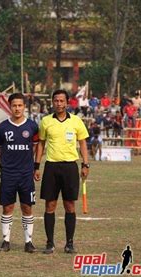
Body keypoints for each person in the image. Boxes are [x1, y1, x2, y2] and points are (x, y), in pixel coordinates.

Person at [34, 89, 89, 254]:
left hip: (70, 167)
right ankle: (50, 243)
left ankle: (69, 243)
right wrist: (36, 166)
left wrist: (85, 164)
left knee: (69, 205)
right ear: (52, 102)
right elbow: (41, 144)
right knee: (50, 205)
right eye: (56, 101)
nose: (58, 103)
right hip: (51, 166)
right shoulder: (45, 121)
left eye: (61, 101)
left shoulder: (76, 121)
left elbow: (83, 143)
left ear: (67, 102)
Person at [0, 93, 39, 253]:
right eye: (14, 105)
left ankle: (29, 242)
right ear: (10, 107)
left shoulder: (32, 126)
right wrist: (8, 160)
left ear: (24, 107)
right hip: (8, 173)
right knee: (7, 207)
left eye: (20, 105)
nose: (17, 108)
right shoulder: (3, 127)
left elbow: (35, 146)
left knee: (27, 207)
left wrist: (31, 164)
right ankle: (5, 241)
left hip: (26, 174)